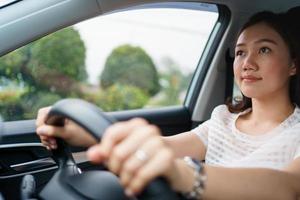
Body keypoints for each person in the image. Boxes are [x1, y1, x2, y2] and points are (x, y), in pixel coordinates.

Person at [36, 10, 300, 199]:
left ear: (293, 65)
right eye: (241, 52)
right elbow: (166, 147)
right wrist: (80, 130)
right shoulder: (222, 120)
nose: (247, 63)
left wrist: (187, 175)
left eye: (264, 49)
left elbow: (288, 187)